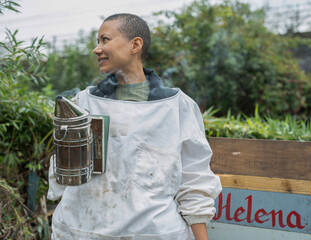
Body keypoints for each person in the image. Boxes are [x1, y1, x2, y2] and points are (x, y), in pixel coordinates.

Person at [48, 13, 222, 240]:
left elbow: (194, 178)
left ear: (135, 45)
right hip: (80, 231)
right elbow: (63, 174)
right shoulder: (83, 103)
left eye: (105, 40)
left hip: (153, 234)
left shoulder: (177, 107)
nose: (97, 49)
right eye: (97, 42)